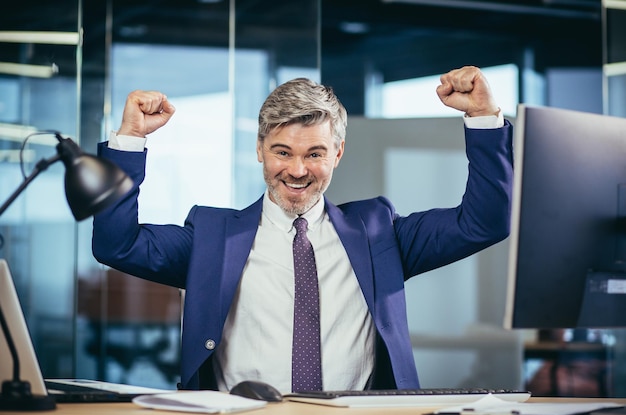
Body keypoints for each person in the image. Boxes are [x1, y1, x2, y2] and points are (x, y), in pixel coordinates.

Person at [92, 65, 513, 394]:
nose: (297, 170)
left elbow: (482, 223)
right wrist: (130, 139)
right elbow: (117, 244)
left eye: (314, 153)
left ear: (338, 152)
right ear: (259, 150)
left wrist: (482, 117)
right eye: (282, 152)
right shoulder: (211, 237)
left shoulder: (380, 234)